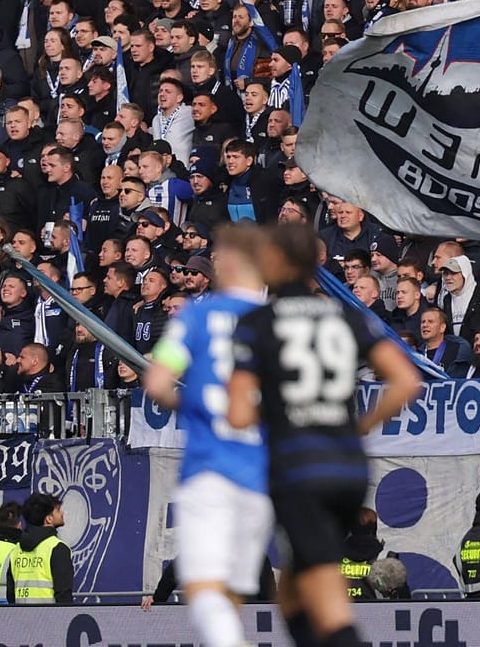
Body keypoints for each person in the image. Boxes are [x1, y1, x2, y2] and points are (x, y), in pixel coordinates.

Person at [227, 222, 423, 647]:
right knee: (295, 593)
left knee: (325, 594)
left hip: (300, 468)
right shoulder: (348, 316)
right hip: (348, 466)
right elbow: (407, 381)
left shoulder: (258, 323)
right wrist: (360, 427)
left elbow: (240, 413)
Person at [143, 223, 274, 647]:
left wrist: (195, 408)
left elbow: (157, 382)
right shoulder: (273, 320)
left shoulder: (195, 316)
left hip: (206, 464)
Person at [11, 492, 75, 604]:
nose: (62, 513)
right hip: (49, 618)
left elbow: (10, 593)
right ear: (49, 519)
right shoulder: (58, 548)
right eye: (58, 510)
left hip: (19, 617)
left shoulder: (16, 549)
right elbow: (63, 594)